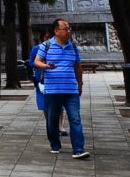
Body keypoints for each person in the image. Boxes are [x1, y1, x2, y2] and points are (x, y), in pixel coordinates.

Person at [35, 17, 89, 158]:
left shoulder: (73, 47)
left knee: (75, 119)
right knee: (52, 119)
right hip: (53, 90)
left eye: (69, 28)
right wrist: (46, 66)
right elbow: (36, 62)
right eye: (66, 29)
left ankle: (78, 149)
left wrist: (80, 84)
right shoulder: (46, 45)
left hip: (71, 90)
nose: (68, 31)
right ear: (56, 31)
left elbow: (78, 67)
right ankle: (55, 144)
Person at [29, 30, 67, 136]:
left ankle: (61, 126)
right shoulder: (37, 48)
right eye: (46, 37)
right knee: (45, 104)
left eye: (50, 37)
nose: (48, 39)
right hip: (42, 79)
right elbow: (32, 63)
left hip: (57, 78)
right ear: (42, 37)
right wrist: (43, 64)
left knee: (60, 103)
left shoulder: (59, 47)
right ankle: (51, 125)